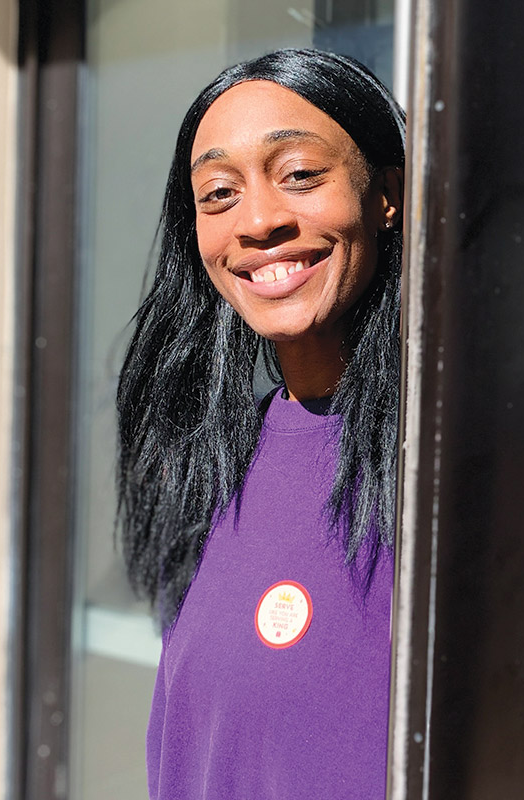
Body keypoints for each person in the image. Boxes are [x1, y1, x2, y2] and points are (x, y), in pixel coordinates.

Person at [115, 48, 405, 799]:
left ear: (387, 194)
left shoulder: (454, 461)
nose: (261, 221)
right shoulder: (207, 457)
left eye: (302, 175)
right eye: (218, 194)